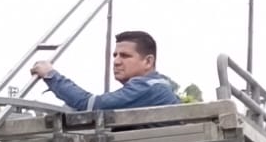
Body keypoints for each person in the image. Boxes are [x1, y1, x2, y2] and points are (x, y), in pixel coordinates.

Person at [29, 30, 180, 110]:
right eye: (115, 55)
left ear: (148, 61)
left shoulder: (147, 88)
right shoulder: (157, 85)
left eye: (125, 56)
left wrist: (50, 75)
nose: (116, 61)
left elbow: (89, 104)